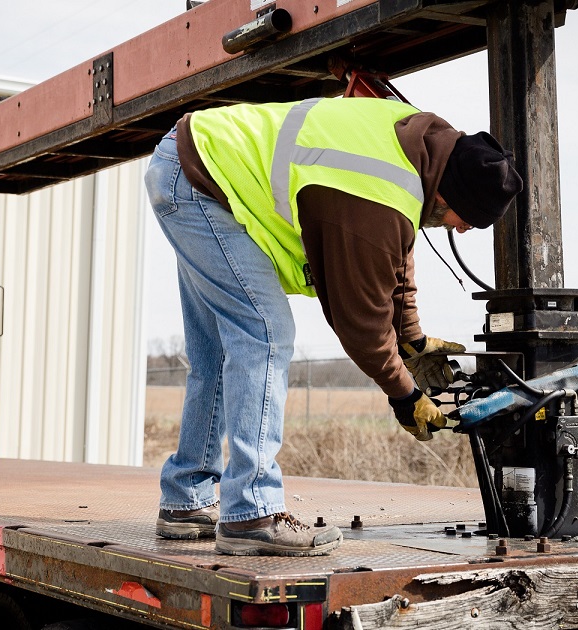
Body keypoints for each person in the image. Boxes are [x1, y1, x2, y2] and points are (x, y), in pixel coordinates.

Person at [145, 96, 522, 557]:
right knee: (266, 334)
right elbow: (359, 322)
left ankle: (186, 499)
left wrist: (413, 338)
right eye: (469, 221)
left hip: (195, 162)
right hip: (203, 182)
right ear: (451, 196)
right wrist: (404, 394)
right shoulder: (374, 201)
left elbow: (396, 255)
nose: (462, 232)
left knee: (217, 353)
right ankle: (251, 512)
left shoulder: (417, 149)